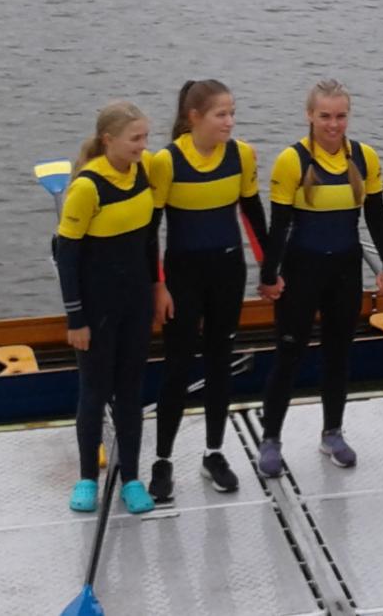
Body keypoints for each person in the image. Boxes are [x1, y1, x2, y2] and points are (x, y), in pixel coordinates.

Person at [256, 79, 383, 474]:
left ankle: (332, 433)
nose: (333, 125)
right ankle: (271, 439)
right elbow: (279, 227)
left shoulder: (364, 158)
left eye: (340, 116)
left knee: (338, 354)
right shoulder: (292, 161)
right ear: (310, 115)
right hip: (300, 272)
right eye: (325, 116)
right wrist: (269, 275)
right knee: (289, 354)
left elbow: (376, 217)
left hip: (345, 272)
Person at [147, 79, 268, 501]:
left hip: (227, 273)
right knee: (177, 368)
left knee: (220, 364)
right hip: (182, 278)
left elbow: (253, 213)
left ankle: (213, 453)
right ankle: (162, 461)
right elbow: (149, 231)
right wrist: (158, 286)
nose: (230, 122)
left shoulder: (241, 155)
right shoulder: (166, 161)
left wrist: (270, 270)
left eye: (232, 113)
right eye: (221, 114)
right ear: (194, 117)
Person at [55, 101, 158, 515]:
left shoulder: (143, 171)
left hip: (136, 303)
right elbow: (67, 257)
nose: (143, 145)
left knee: (131, 392)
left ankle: (131, 478)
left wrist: (157, 288)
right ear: (108, 140)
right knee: (94, 392)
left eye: (145, 137)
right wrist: (75, 318)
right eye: (135, 139)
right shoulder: (87, 188)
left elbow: (150, 239)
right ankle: (86, 479)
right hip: (96, 310)